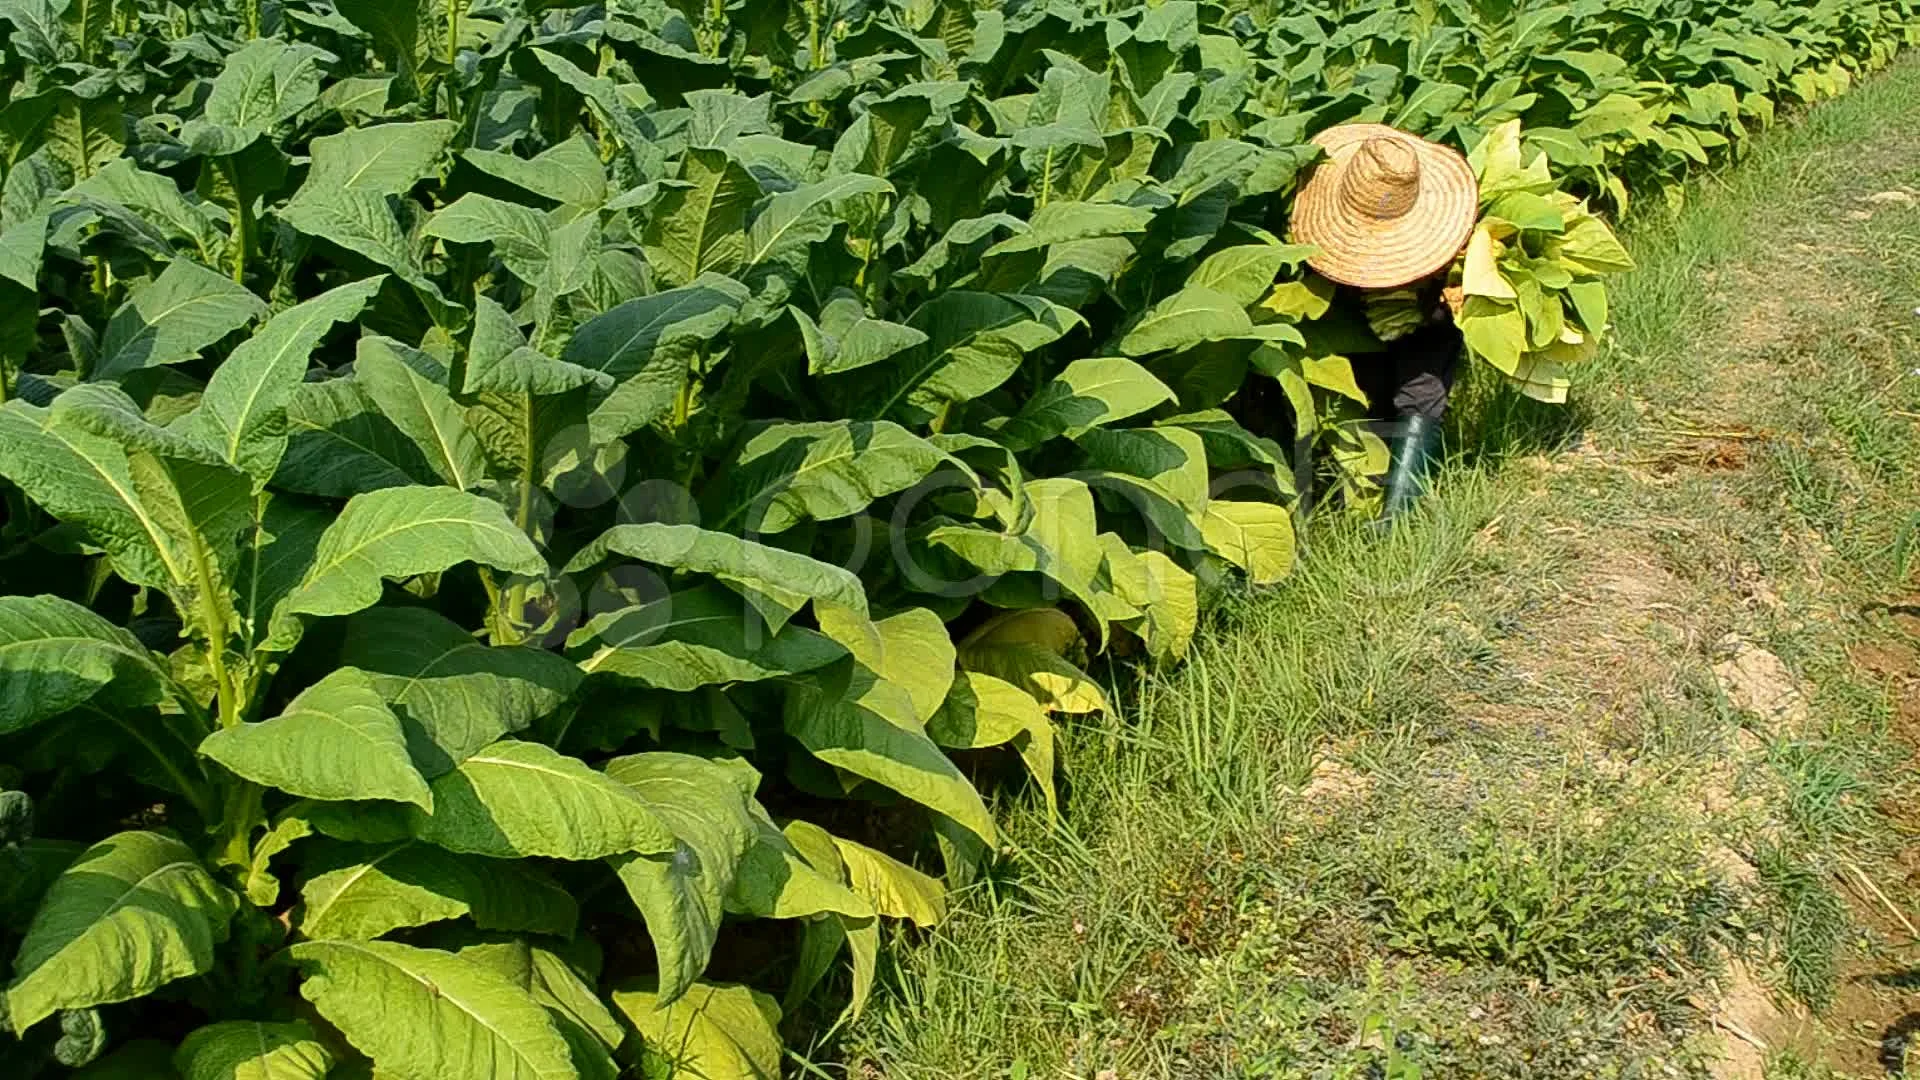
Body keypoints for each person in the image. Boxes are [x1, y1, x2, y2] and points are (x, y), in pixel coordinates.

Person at [1289, 123, 1480, 527]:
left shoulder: (1437, 217)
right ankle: (1363, 477)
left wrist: (1425, 299)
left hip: (1428, 295)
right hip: (1346, 304)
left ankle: (1399, 513)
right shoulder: (1329, 191)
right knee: (1363, 375)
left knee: (1424, 371)